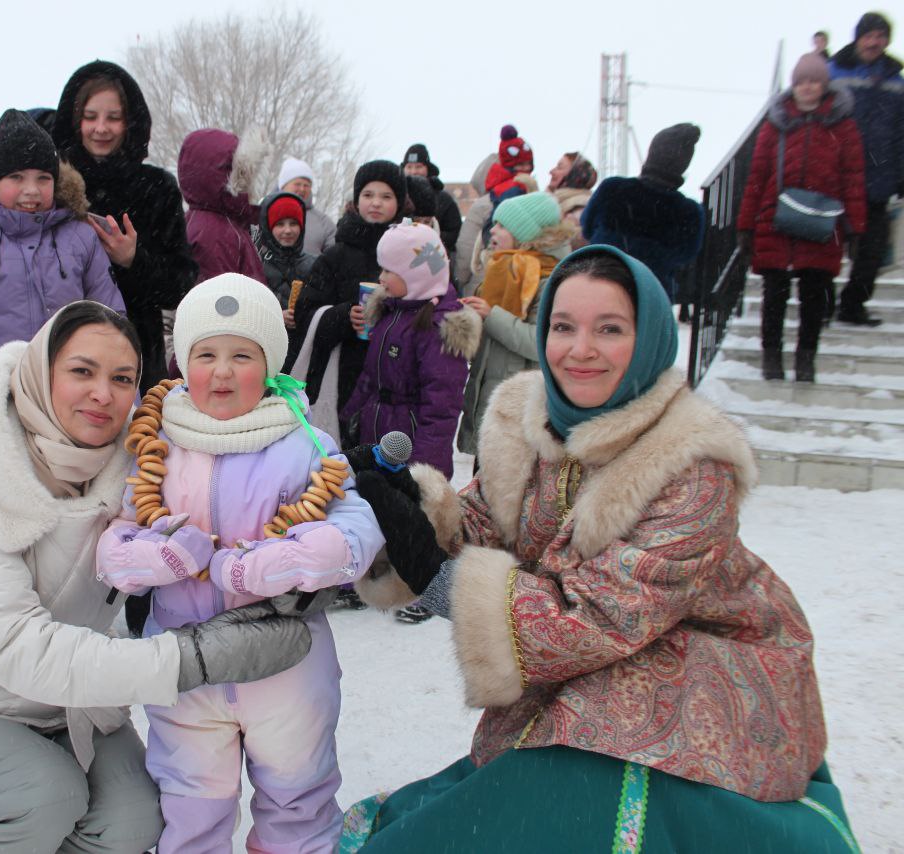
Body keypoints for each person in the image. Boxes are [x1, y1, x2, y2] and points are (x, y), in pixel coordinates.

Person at [342, 245, 854, 852]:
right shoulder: (523, 422)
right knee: (543, 774)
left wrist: (442, 579)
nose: (579, 349)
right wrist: (416, 514)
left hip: (703, 654)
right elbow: (484, 524)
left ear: (650, 339)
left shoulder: (690, 464)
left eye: (608, 329)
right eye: (563, 327)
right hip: (590, 659)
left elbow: (602, 616)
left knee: (583, 780)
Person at [0, 300, 315, 853]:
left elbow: (225, 504)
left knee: (136, 819)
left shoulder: (136, 466)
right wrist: (194, 659)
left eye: (122, 379)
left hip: (77, 698)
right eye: (82, 371)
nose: (103, 394)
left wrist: (303, 566)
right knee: (42, 796)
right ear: (41, 374)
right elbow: (15, 646)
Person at [96, 275, 384, 853]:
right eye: (206, 354)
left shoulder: (304, 442)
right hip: (185, 664)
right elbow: (115, 541)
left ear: (270, 364)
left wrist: (277, 562)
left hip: (287, 667)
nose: (222, 372)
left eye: (242, 356)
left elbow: (356, 529)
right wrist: (160, 557)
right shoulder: (157, 441)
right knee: (189, 806)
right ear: (184, 361)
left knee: (298, 805)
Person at [0, 108, 126, 454]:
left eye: (43, 178)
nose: (31, 190)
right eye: (16, 177)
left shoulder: (80, 239)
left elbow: (112, 326)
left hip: (73, 408)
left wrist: (124, 406)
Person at [51, 61, 198, 392]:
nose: (101, 128)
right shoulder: (52, 184)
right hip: (62, 343)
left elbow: (181, 283)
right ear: (75, 120)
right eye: (90, 116)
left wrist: (134, 260)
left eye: (113, 117)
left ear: (129, 121)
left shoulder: (157, 187)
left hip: (135, 353)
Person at [737, 54, 866, 383]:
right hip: (774, 218)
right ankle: (771, 356)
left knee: (814, 296)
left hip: (822, 219)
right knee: (774, 295)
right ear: (793, 86)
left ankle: (806, 359)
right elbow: (757, 177)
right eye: (801, 82)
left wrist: (855, 227)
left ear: (824, 86)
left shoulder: (843, 126)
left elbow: (852, 177)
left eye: (814, 81)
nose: (807, 87)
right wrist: (746, 224)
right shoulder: (775, 125)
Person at [342, 222, 479, 480]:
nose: (381, 277)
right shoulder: (392, 311)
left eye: (389, 270)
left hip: (409, 450)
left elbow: (440, 410)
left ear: (417, 276)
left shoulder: (438, 329)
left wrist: (424, 473)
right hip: (376, 436)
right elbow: (370, 377)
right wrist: (350, 419)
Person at [292, 159, 408, 441]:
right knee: (343, 449)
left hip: (396, 373)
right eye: (368, 194)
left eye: (386, 196)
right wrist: (344, 316)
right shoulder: (336, 254)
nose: (376, 203)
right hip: (343, 375)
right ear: (356, 200)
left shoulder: (409, 252)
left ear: (399, 203)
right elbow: (304, 313)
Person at [456, 192, 575, 461]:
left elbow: (539, 342)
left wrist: (491, 316)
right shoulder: (503, 269)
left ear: (525, 234)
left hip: (522, 402)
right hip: (494, 393)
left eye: (501, 225)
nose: (492, 230)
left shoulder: (549, 281)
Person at [828, 12, 904, 326]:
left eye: (880, 36)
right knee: (826, 246)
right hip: (834, 175)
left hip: (878, 177)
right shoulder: (833, 71)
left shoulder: (895, 80)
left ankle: (853, 306)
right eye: (869, 35)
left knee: (872, 249)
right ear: (858, 38)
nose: (874, 42)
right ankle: (820, 304)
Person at [581, 123, 706, 303]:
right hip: (653, 296)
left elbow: (586, 228)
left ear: (651, 153)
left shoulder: (612, 189)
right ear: (684, 164)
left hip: (600, 284)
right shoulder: (689, 212)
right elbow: (687, 255)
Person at [178, 128, 266, 283]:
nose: (247, 178)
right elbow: (222, 295)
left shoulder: (219, 223)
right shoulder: (216, 233)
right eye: (240, 171)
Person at [253, 190, 317, 343]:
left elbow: (321, 308)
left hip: (302, 346)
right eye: (280, 224)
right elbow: (249, 309)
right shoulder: (256, 265)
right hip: (266, 343)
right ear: (268, 228)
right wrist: (275, 317)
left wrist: (304, 317)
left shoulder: (314, 265)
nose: (287, 230)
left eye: (293, 223)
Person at [401, 144, 462, 258]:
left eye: (418, 166)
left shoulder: (444, 199)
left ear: (428, 169)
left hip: (435, 257)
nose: (413, 171)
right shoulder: (397, 197)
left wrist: (429, 236)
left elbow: (454, 232)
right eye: (409, 167)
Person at [453, 153, 498, 294]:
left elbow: (466, 249)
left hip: (482, 284)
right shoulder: (529, 201)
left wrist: (458, 280)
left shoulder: (482, 205)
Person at [277, 156, 337, 255]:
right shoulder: (266, 215)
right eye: (297, 184)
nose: (302, 189)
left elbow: (334, 256)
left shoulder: (323, 222)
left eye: (306, 185)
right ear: (283, 186)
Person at [546, 151, 598, 247]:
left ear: (574, 174)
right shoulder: (560, 200)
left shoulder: (579, 205)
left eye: (559, 167)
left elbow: (577, 243)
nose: (551, 172)